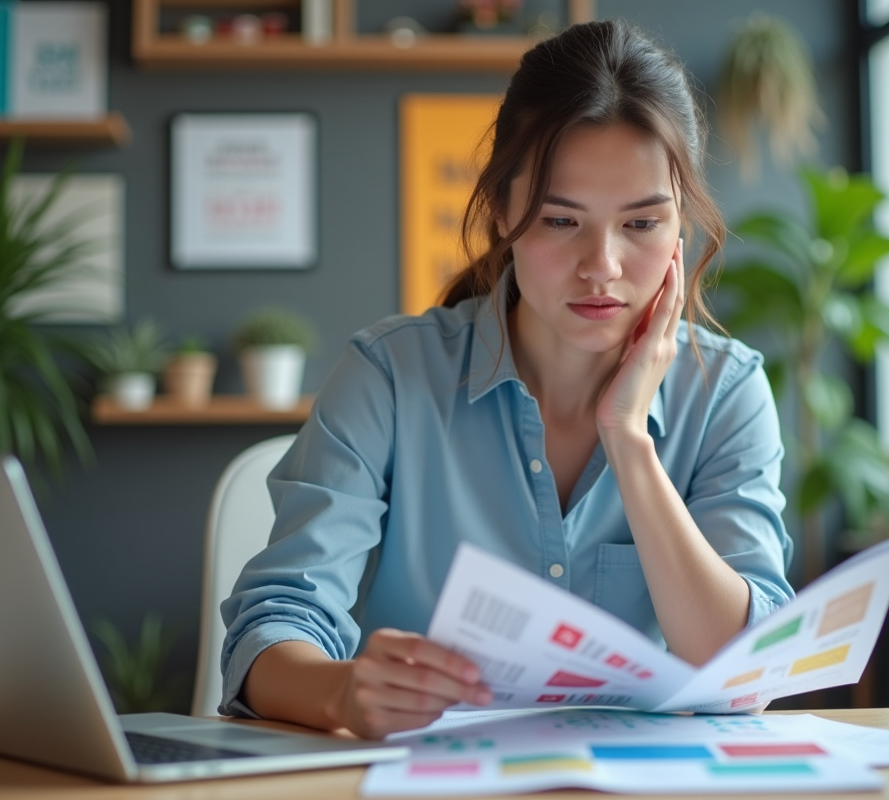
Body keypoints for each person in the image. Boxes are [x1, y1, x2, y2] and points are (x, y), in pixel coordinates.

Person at [220, 18, 794, 740]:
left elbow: (745, 675)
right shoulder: (390, 377)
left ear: (682, 229)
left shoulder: (728, 392)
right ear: (502, 213)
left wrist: (628, 441)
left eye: (642, 225)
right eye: (560, 220)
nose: (603, 267)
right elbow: (272, 627)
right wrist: (341, 694)